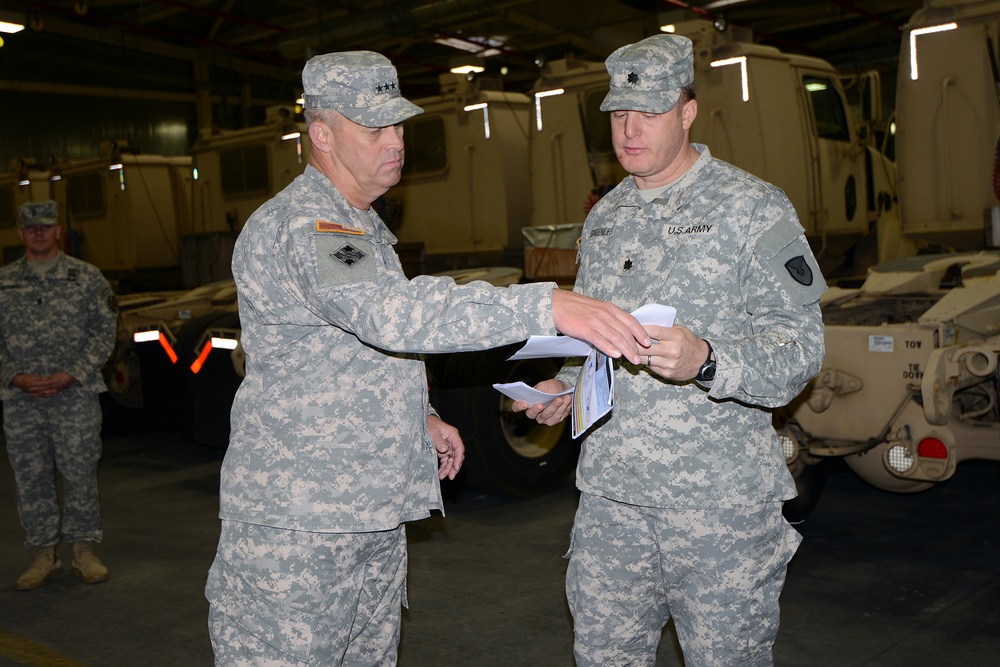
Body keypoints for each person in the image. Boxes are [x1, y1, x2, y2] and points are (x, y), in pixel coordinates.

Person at [204, 50, 651, 665]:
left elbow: (354, 349)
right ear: (322, 136)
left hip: (366, 510)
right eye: (375, 128)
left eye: (399, 126)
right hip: (301, 525)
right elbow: (393, 315)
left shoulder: (361, 228)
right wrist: (547, 306)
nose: (396, 142)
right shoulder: (307, 225)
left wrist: (420, 417)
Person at [514, 34, 827, 666]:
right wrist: (567, 388)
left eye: (649, 114)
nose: (628, 131)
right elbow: (597, 345)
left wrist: (707, 360)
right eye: (618, 116)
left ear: (686, 112)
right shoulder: (605, 219)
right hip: (611, 503)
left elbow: (800, 349)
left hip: (717, 507)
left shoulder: (753, 207)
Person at [0, 200, 118, 590]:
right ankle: (43, 556)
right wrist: (13, 375)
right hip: (22, 400)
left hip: (75, 397)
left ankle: (84, 552)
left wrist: (74, 374)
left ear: (57, 232)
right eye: (31, 227)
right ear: (21, 234)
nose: (38, 233)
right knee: (32, 478)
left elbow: (104, 333)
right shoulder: (4, 282)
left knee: (80, 473)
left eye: (46, 226)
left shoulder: (86, 278)